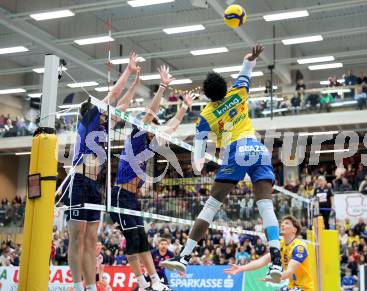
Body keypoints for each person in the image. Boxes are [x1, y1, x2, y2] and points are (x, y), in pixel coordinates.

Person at [161, 45, 283, 282]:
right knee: (266, 207)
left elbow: (198, 151)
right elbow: (245, 71)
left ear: (207, 95)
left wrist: (198, 164)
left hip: (237, 152)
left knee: (211, 206)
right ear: (225, 87)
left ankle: (183, 258)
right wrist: (250, 59)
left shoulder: (206, 114)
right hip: (258, 149)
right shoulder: (237, 92)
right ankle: (276, 263)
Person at [110, 65, 192, 291]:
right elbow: (151, 112)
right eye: (153, 127)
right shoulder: (137, 135)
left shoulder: (151, 145)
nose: (156, 129)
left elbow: (172, 127)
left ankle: (154, 281)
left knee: (143, 240)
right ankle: (140, 282)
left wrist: (184, 108)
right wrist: (163, 86)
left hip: (132, 198)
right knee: (134, 241)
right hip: (118, 195)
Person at [65, 52, 141, 291]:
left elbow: (123, 105)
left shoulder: (104, 128)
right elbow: (114, 95)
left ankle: (90, 286)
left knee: (90, 239)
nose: (107, 114)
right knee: (76, 238)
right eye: (103, 111)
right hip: (78, 181)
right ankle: (78, 286)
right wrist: (128, 72)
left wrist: (136, 85)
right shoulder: (88, 120)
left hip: (94, 186)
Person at [224, 216, 314, 291]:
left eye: (286, 223)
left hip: (304, 288)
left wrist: (275, 278)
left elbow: (289, 272)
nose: (282, 224)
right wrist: (241, 268)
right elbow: (262, 261)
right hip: (292, 287)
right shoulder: (280, 245)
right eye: (282, 223)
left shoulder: (299, 247)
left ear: (294, 230)